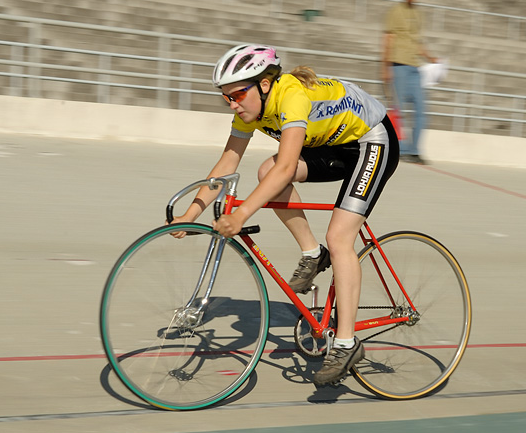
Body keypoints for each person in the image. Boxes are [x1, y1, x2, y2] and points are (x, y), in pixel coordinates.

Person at [170, 44, 399, 386]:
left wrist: (242, 214)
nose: (232, 103)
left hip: (372, 140)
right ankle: (312, 253)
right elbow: (227, 163)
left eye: (238, 94)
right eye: (226, 97)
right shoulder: (249, 109)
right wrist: (192, 212)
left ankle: (347, 343)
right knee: (267, 171)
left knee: (340, 237)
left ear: (265, 84)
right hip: (333, 145)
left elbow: (289, 166)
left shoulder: (290, 96)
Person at [382, 0, 438, 165]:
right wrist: (386, 66)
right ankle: (401, 148)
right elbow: (388, 38)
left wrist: (430, 58)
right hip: (398, 65)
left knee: (421, 110)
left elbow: (417, 42)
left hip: (415, 67)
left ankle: (414, 150)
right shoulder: (395, 11)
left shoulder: (419, 14)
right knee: (397, 111)